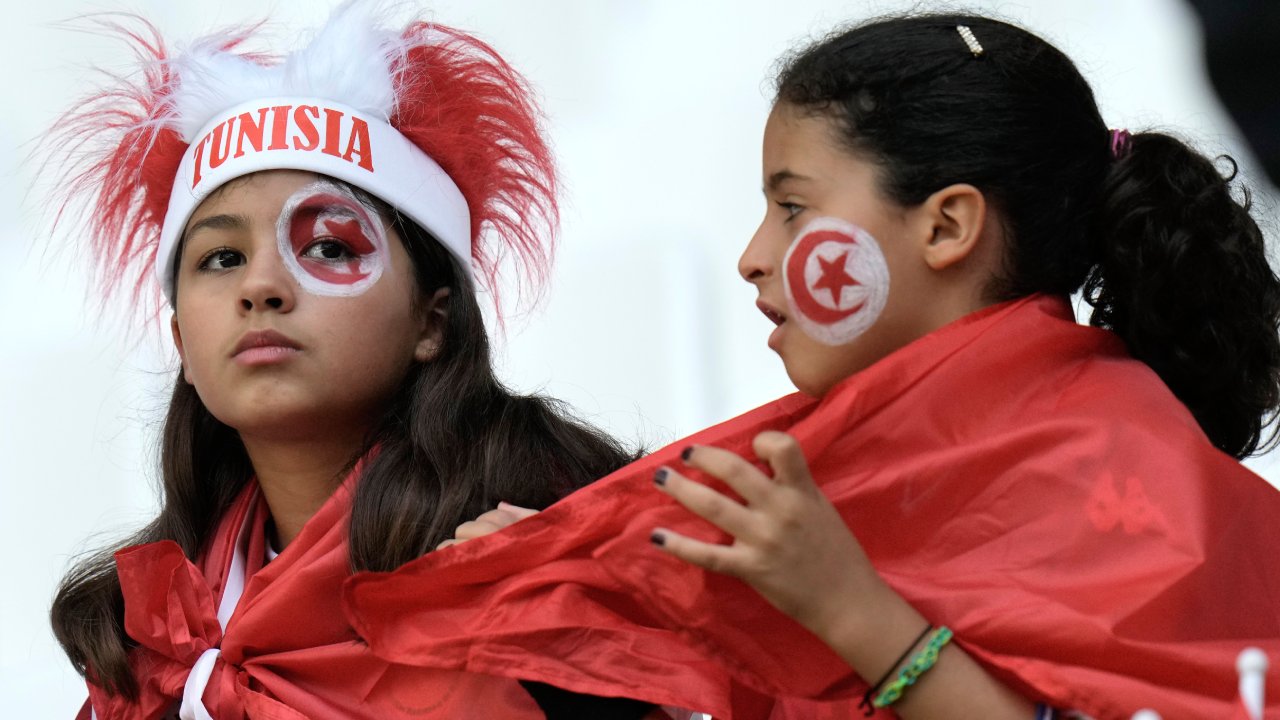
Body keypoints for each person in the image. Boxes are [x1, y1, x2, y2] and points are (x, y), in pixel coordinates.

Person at [342, 14, 1280, 720]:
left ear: (947, 226)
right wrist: (573, 566)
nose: (754, 255)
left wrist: (852, 608)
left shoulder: (1123, 462)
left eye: (792, 208)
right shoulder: (852, 457)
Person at [44, 3, 656, 719]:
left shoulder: (558, 556)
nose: (262, 288)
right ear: (181, 344)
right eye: (222, 257)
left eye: (329, 246)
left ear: (433, 319)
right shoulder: (144, 635)